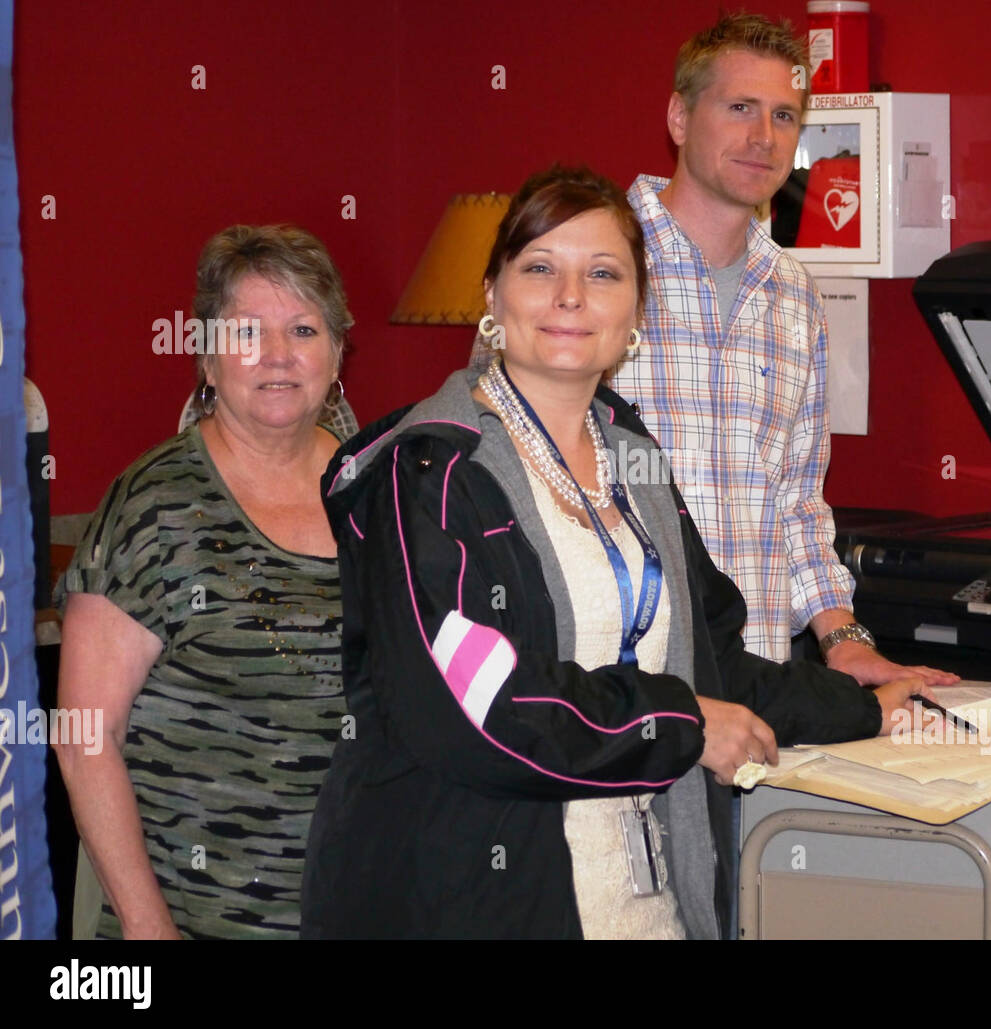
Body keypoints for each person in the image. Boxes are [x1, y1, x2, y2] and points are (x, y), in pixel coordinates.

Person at [300, 167, 929, 940]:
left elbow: (709, 658)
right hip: (470, 898)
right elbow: (479, 712)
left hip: (639, 906)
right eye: (540, 268)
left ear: (636, 310)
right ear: (492, 296)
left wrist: (868, 708)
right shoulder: (426, 471)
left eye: (603, 273)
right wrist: (684, 722)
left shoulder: (633, 460)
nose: (571, 296)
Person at [609, 13, 957, 687]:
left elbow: (798, 502)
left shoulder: (795, 293)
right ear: (679, 117)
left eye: (785, 116)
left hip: (759, 687)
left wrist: (845, 639)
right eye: (740, 108)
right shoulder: (592, 263)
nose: (763, 138)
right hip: (626, 685)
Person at [54, 225, 351, 939]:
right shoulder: (155, 504)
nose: (279, 355)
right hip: (192, 919)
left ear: (338, 350)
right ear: (207, 358)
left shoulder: (376, 487)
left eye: (304, 328)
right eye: (249, 331)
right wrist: (146, 923)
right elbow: (84, 736)